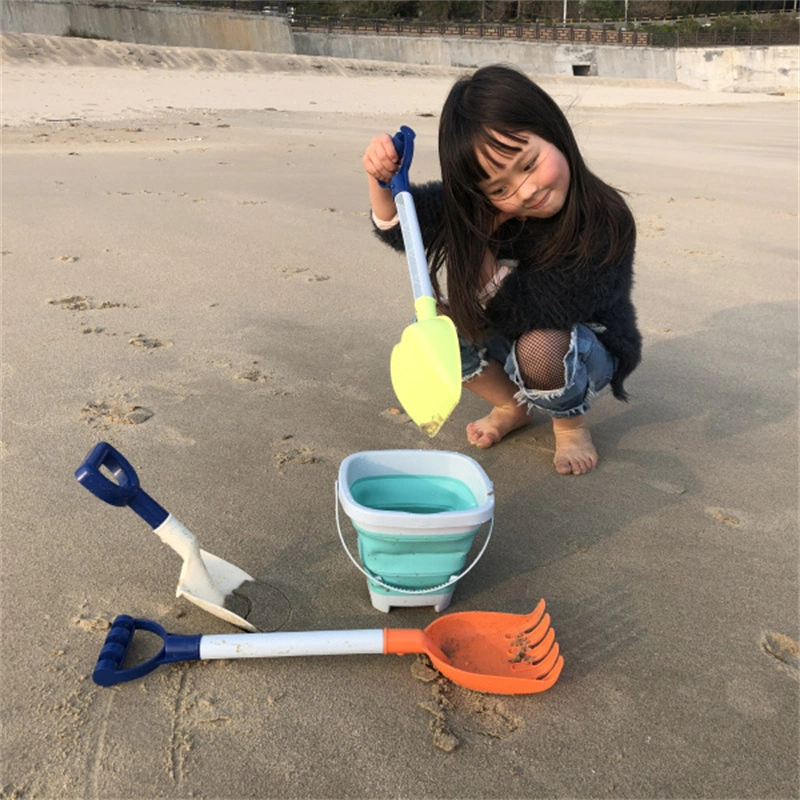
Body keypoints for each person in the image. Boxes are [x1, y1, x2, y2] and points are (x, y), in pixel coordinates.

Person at [362, 64, 641, 476]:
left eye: (528, 164)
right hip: (513, 331)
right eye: (499, 188)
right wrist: (384, 183)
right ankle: (512, 403)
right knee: (437, 330)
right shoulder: (481, 207)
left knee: (540, 346)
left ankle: (569, 423)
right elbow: (406, 228)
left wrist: (476, 254)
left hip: (587, 345)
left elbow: (536, 310)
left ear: (553, 131)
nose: (525, 190)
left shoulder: (605, 223)